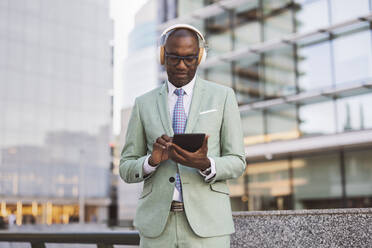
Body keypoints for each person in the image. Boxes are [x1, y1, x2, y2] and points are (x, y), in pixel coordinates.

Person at [119, 23, 246, 248]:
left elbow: (237, 161)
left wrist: (207, 164)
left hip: (208, 227)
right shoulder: (143, 104)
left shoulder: (223, 97)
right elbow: (126, 167)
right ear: (162, 56)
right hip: (157, 229)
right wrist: (151, 161)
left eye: (189, 58)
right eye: (173, 57)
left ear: (200, 57)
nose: (181, 66)